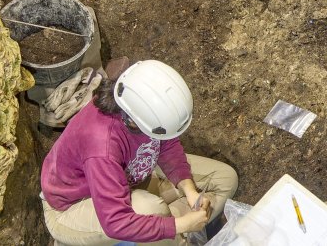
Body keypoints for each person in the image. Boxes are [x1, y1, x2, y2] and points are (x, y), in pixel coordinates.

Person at [40, 60, 238, 246]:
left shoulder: (140, 102)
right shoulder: (102, 146)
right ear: (135, 121)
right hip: (74, 206)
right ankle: (172, 235)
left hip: (126, 180)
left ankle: (170, 233)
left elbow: (167, 145)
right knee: (152, 210)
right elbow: (116, 221)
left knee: (225, 179)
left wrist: (190, 191)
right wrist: (182, 225)